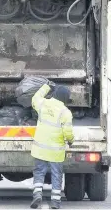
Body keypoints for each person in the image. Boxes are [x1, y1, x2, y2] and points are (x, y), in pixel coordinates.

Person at [30, 82, 74, 210]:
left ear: (55, 94)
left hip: (40, 149)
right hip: (56, 151)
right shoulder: (66, 112)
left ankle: (37, 194)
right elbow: (68, 132)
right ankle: (55, 201)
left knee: (39, 172)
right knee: (56, 175)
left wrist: (46, 86)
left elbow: (35, 98)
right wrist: (71, 140)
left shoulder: (43, 104)